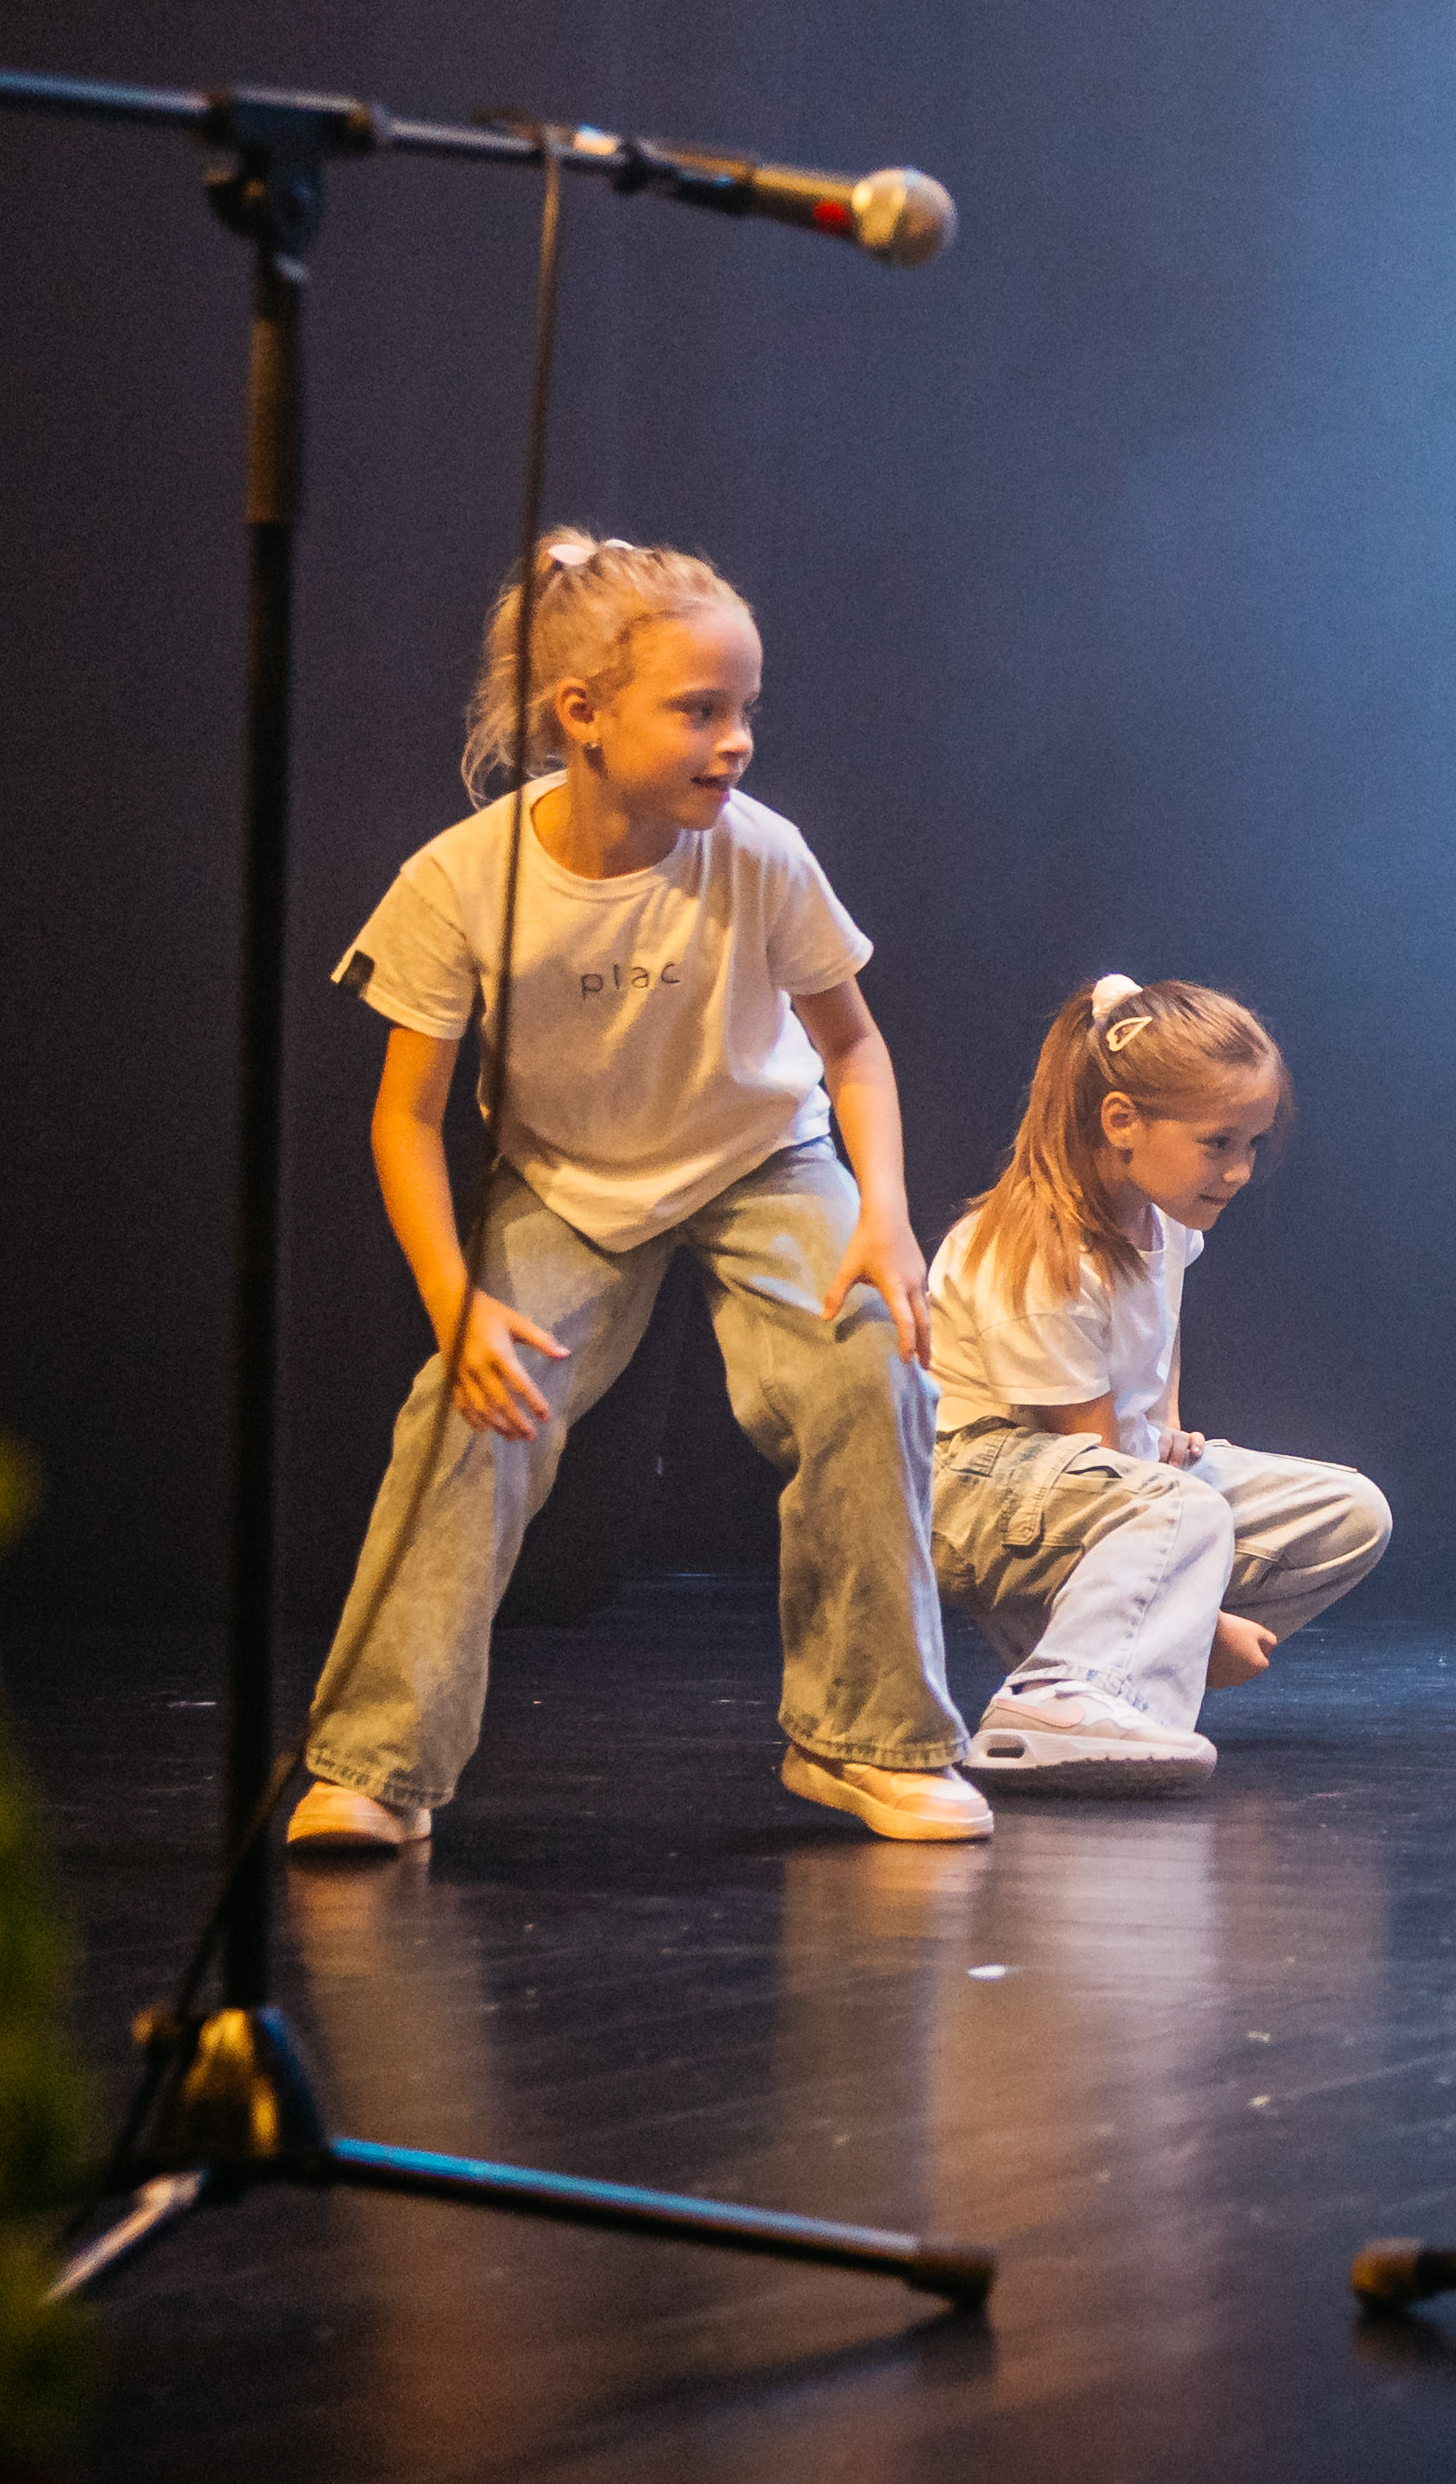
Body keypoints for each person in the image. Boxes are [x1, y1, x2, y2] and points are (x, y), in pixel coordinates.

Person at [290, 532, 977, 1851]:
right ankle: (379, 1763)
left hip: (760, 1156)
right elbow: (405, 1116)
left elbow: (852, 1049)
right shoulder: (462, 879)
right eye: (700, 711)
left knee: (869, 1359)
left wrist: (884, 1213)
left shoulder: (761, 852)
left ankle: (867, 1739)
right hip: (569, 1179)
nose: (736, 742)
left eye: (746, 710)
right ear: (583, 715)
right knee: (467, 1410)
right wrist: (454, 1300)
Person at [920, 975, 1393, 1793]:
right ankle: (1058, 1694)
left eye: (1252, 1145)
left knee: (1350, 1512)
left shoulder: (1164, 1221)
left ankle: (1122, 1672)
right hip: (976, 1489)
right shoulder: (1043, 1254)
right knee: (1182, 1507)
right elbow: (1087, 1458)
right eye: (1219, 1143)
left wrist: (1168, 1421)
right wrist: (1207, 1625)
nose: (1239, 1171)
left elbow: (1158, 1335)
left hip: (1100, 1481)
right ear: (1121, 1121)